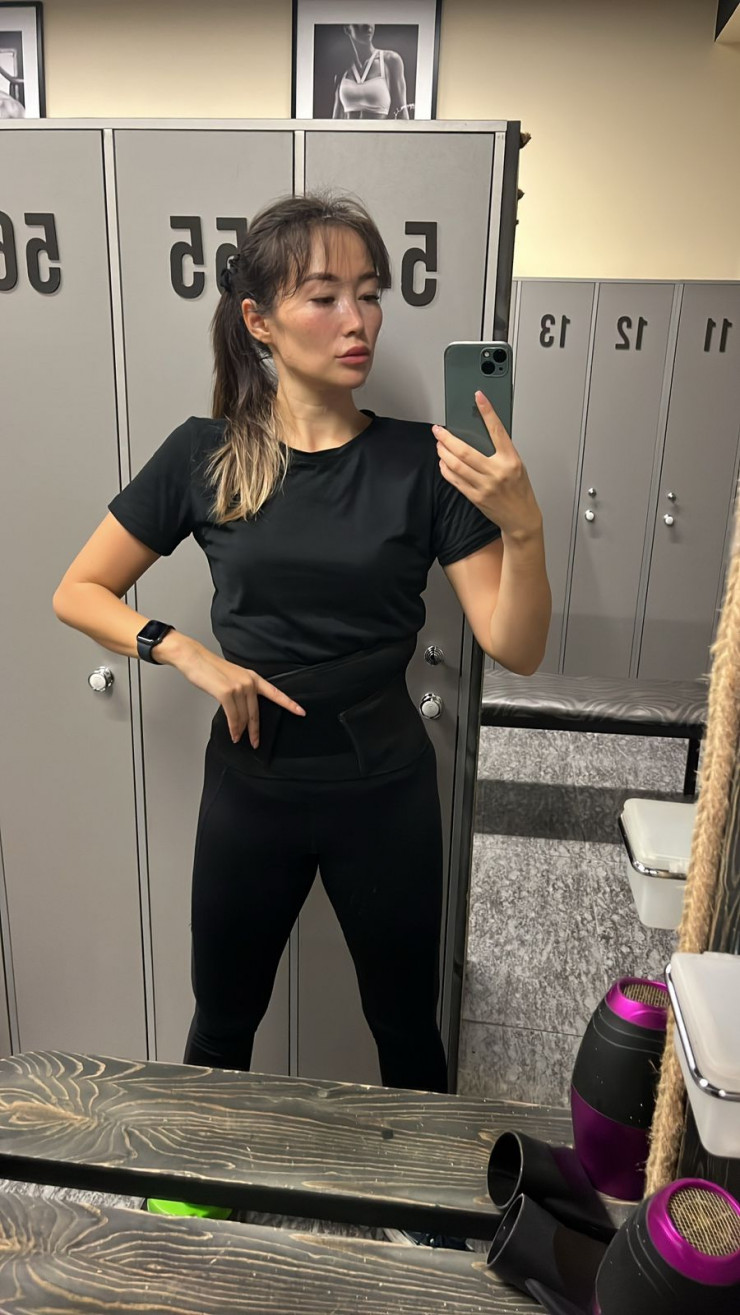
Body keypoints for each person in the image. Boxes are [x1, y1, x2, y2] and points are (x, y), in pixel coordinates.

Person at [52, 192, 551, 1241]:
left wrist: (524, 527)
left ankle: (426, 1201)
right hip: (254, 785)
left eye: (369, 294)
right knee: (222, 1014)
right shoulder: (205, 454)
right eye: (324, 296)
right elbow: (79, 590)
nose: (358, 319)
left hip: (385, 789)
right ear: (260, 320)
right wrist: (185, 650)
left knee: (403, 1023)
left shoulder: (422, 461)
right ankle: (198, 1184)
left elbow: (515, 642)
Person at [332, 23, 412, 120]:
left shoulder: (390, 60)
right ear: (347, 28)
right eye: (360, 20)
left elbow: (402, 112)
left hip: (379, 130)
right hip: (348, 130)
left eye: (371, 20)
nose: (367, 25)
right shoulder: (343, 69)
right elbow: (336, 118)